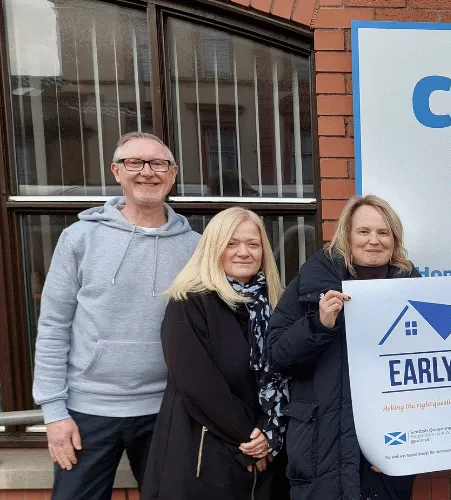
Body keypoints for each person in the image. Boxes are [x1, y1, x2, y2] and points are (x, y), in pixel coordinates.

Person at [32, 132, 201, 500]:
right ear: (117, 171)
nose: (147, 173)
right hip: (85, 410)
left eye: (158, 164)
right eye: (135, 163)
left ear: (172, 175)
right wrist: (54, 412)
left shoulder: (195, 246)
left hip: (166, 409)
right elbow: (53, 327)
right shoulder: (79, 238)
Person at [266, 195, 422, 500]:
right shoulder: (310, 283)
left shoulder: (414, 290)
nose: (373, 241)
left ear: (395, 239)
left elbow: (428, 377)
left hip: (386, 451)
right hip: (321, 449)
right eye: (363, 232)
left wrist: (407, 446)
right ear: (347, 237)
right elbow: (278, 356)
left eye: (383, 233)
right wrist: (318, 325)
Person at [141, 207, 290, 499]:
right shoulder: (189, 303)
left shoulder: (276, 305)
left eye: (253, 244)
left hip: (267, 456)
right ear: (213, 249)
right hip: (204, 455)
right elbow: (198, 385)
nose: (243, 252)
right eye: (231, 243)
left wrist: (269, 433)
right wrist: (251, 438)